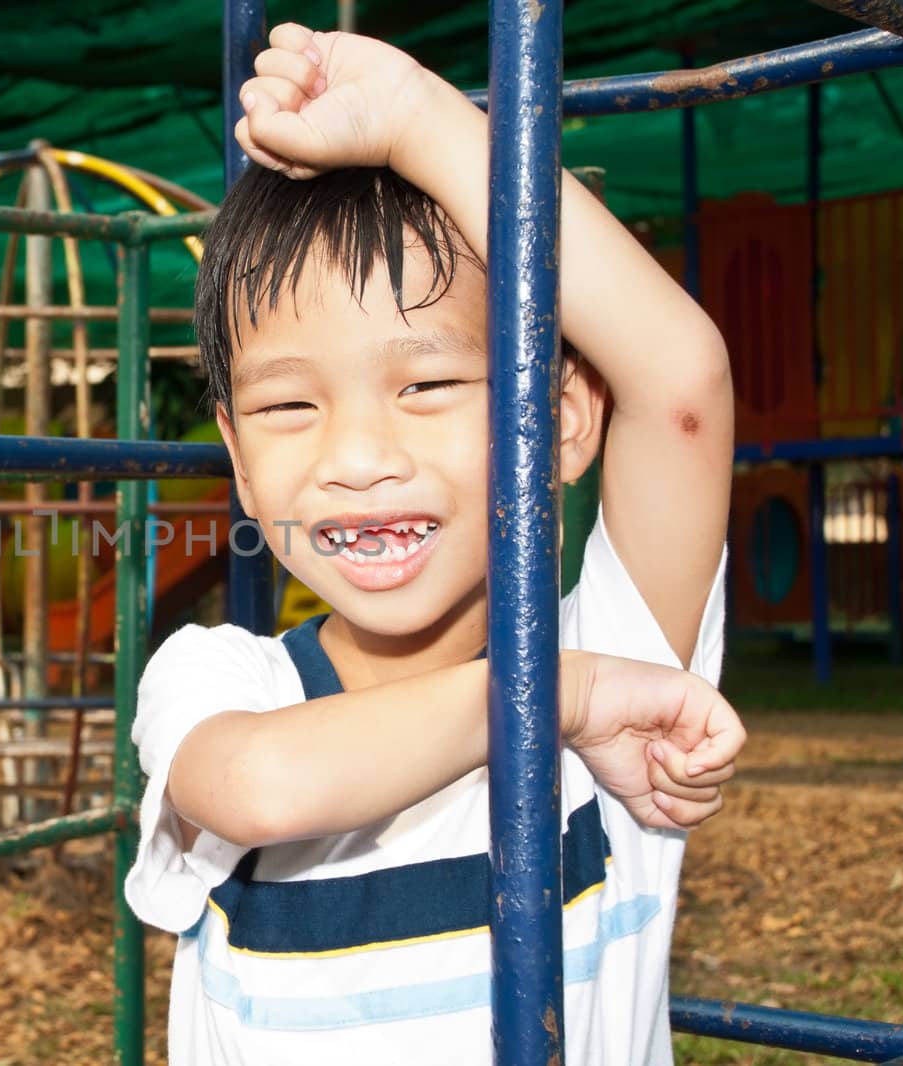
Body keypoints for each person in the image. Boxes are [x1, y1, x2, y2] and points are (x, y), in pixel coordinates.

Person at [123, 22, 745, 1065]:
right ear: (233, 452)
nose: (357, 456)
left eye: (426, 384)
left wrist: (420, 121)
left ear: (563, 418)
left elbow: (680, 377)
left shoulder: (623, 655)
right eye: (286, 406)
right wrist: (564, 698)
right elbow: (261, 790)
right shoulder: (225, 679)